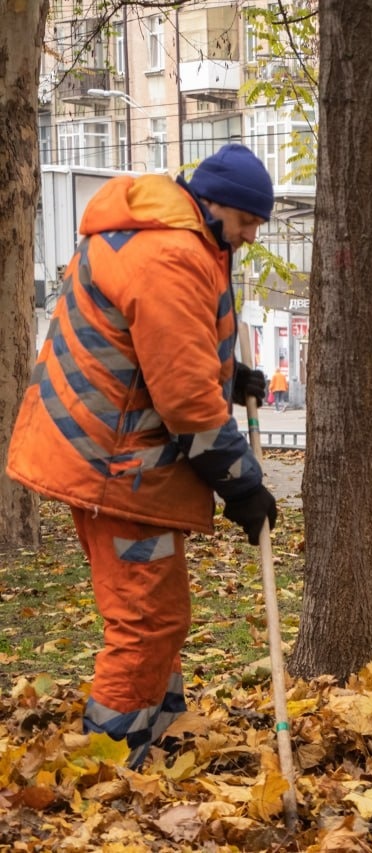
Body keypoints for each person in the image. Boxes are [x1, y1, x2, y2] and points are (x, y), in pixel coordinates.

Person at [5, 142, 279, 768]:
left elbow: (155, 348)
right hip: (117, 466)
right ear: (214, 205)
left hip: (109, 454)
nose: (251, 236)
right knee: (146, 619)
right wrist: (243, 486)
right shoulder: (171, 253)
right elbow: (184, 401)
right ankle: (110, 762)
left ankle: (161, 734)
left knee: (158, 612)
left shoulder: (164, 234)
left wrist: (228, 372)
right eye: (247, 222)